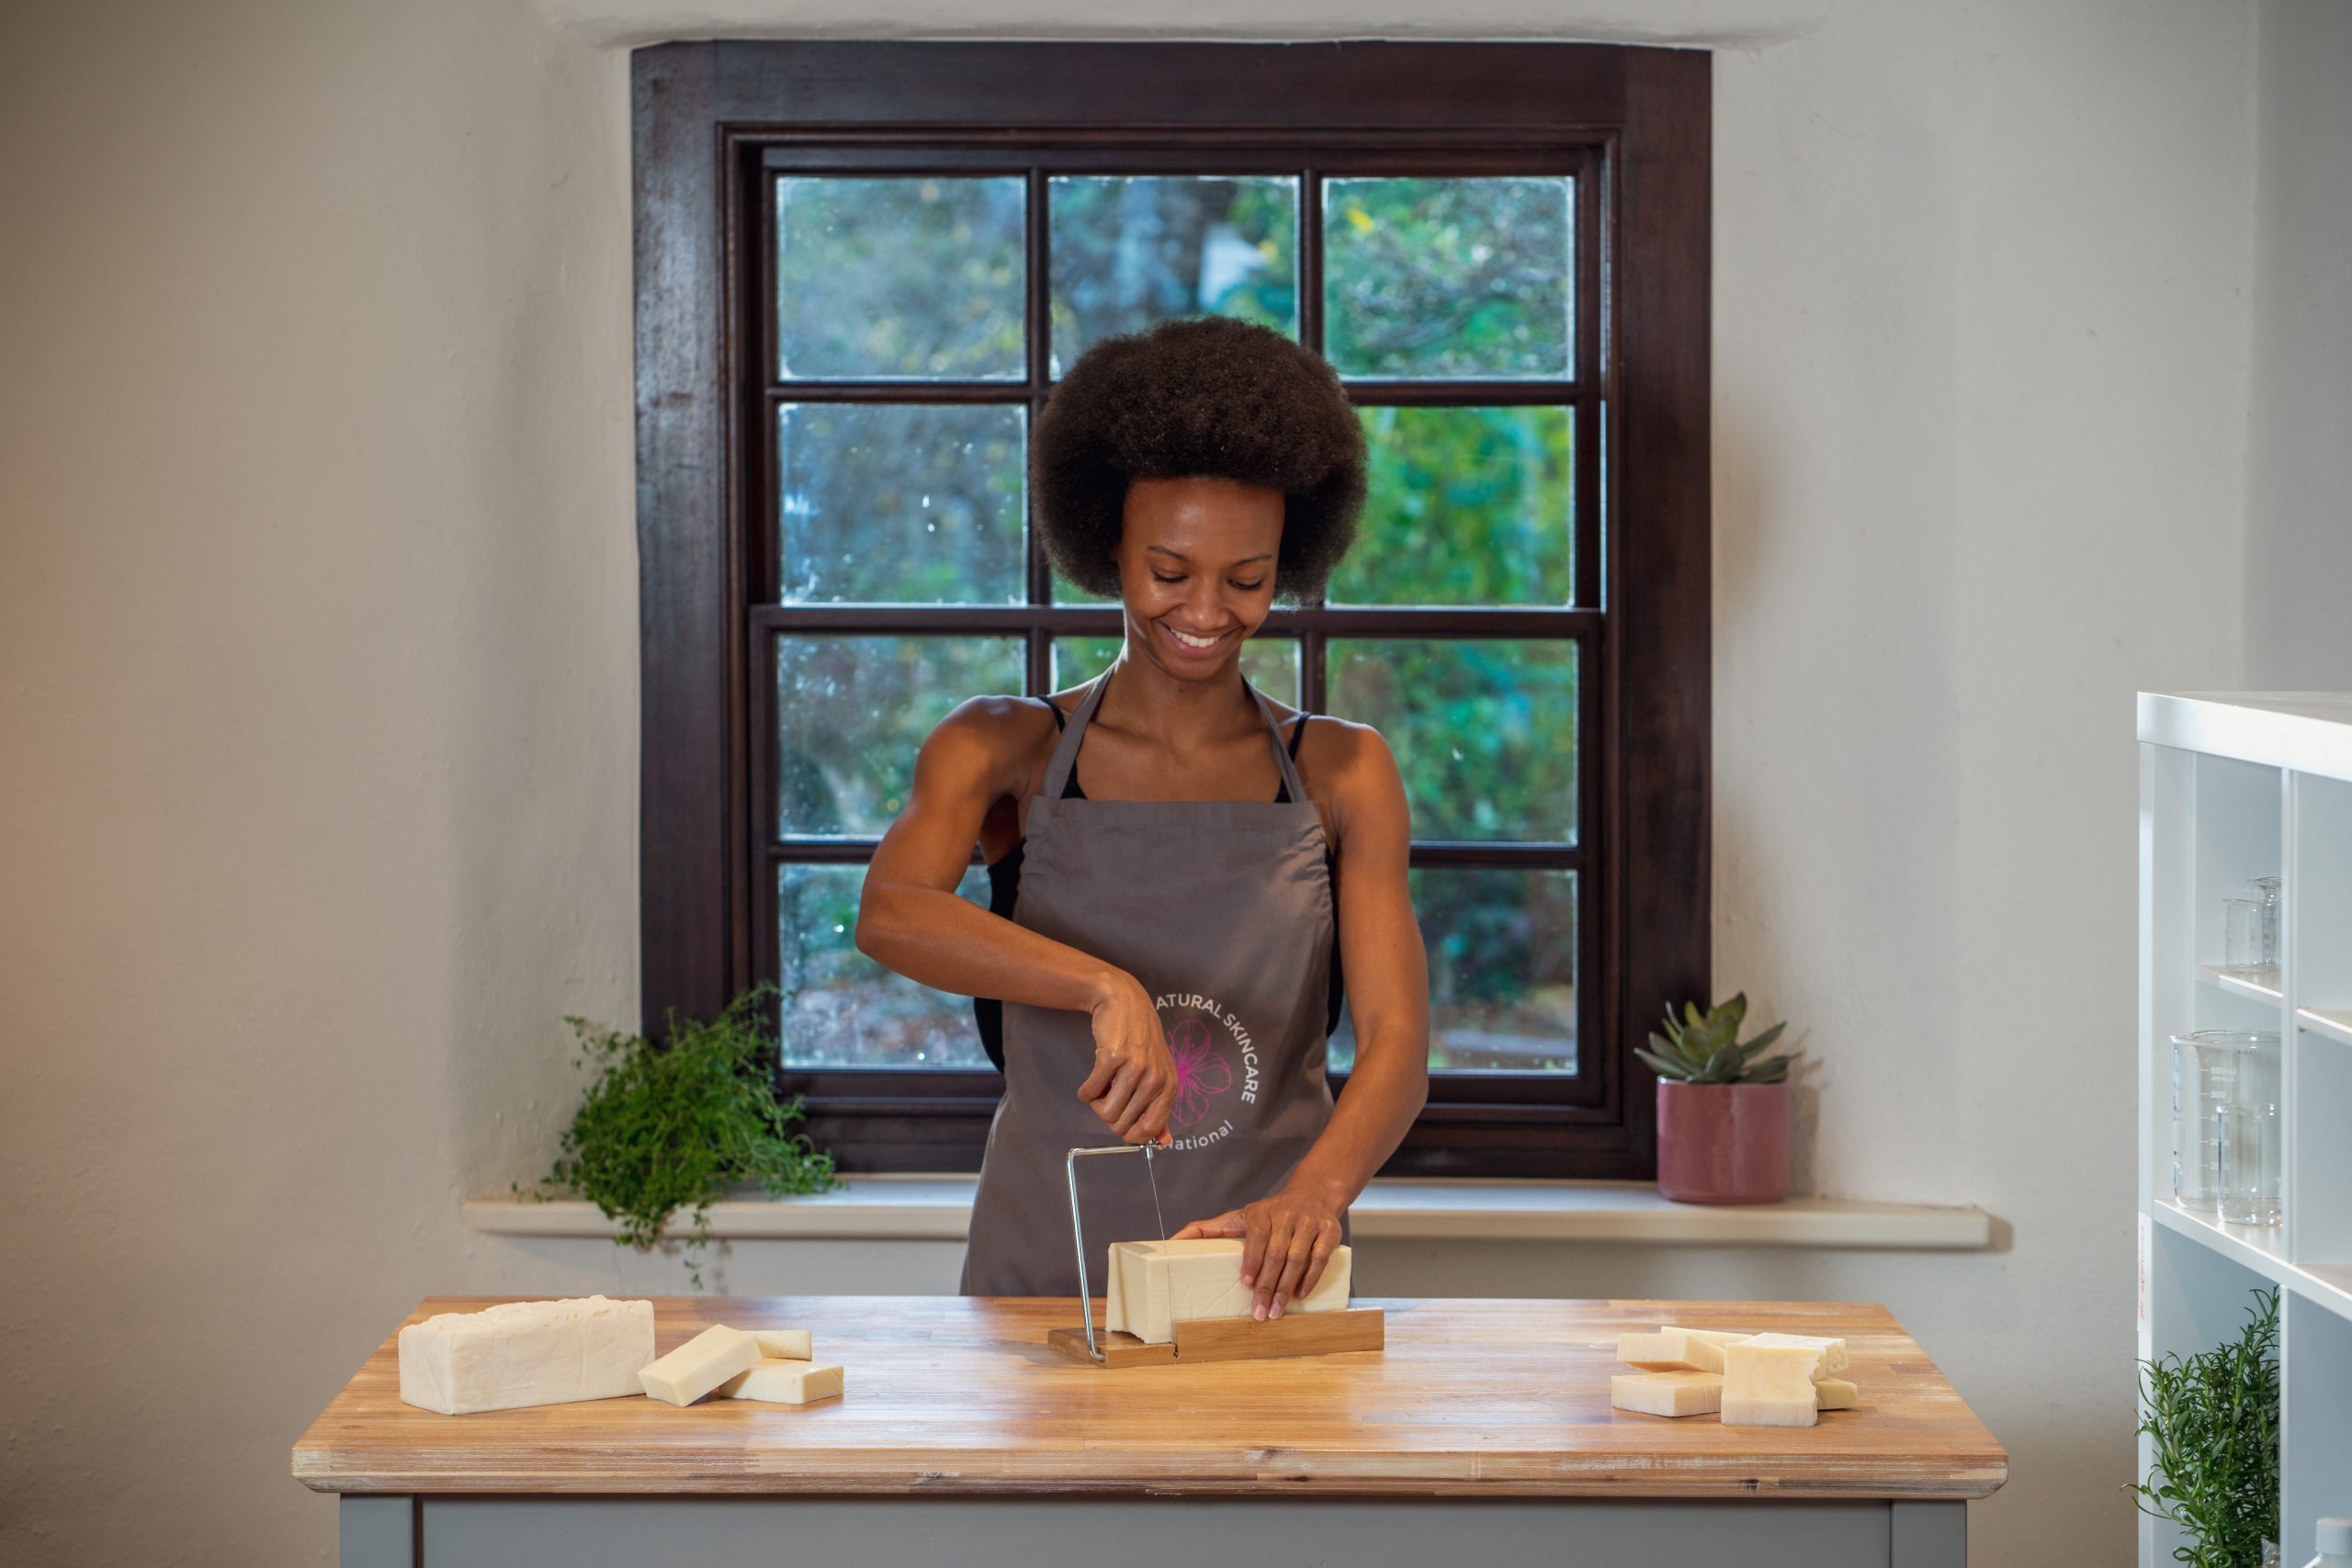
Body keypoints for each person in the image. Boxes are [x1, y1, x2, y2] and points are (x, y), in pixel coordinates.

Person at [854, 313, 1429, 1319]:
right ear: (1106, 549)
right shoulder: (1004, 750)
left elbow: (1394, 1039)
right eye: (1169, 573)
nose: (1206, 612)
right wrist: (1101, 986)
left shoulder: (1343, 769)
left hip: (1260, 1273)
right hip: (1044, 1266)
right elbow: (892, 911)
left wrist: (1315, 1195)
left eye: (1246, 580)